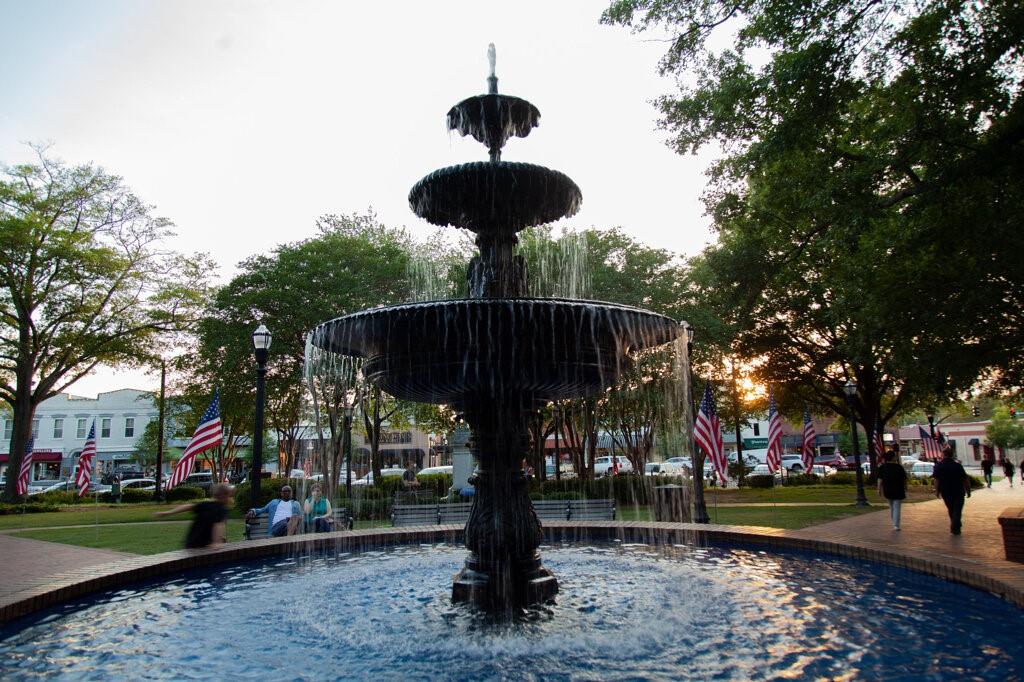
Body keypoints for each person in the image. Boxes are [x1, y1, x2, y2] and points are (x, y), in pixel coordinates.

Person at [155, 483, 234, 549]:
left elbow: (188, 506)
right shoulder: (221, 509)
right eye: (230, 496)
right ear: (224, 496)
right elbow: (218, 525)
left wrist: (168, 513)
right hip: (203, 545)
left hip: (191, 541)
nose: (231, 499)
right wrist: (216, 542)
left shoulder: (206, 504)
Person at [933, 446, 971, 535]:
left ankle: (955, 525)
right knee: (957, 510)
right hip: (958, 491)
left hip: (946, 491)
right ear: (952, 455)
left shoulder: (939, 466)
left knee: (951, 509)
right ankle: (955, 526)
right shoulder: (957, 466)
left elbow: (936, 480)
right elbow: (965, 479)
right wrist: (968, 490)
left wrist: (937, 491)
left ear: (943, 455)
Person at [876, 451, 908, 530]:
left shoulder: (882, 467)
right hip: (898, 489)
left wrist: (879, 489)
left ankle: (894, 523)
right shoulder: (899, 467)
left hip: (887, 489)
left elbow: (880, 479)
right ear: (893, 457)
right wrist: (905, 487)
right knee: (896, 507)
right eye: (895, 456)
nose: (896, 457)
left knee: (892, 507)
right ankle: (896, 524)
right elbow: (904, 479)